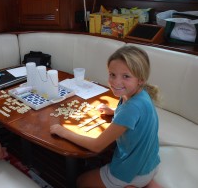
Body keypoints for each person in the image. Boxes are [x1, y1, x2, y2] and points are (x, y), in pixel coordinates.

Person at [50, 46, 161, 188]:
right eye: (112, 74)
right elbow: (136, 116)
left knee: (81, 181)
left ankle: (133, 184)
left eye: (125, 76)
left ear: (140, 79)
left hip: (132, 172)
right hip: (151, 164)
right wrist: (114, 111)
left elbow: (97, 146)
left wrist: (62, 131)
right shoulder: (140, 94)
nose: (115, 82)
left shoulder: (131, 108)